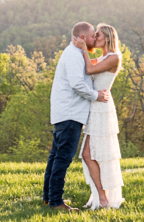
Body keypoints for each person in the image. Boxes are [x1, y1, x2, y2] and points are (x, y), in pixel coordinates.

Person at [43, 22, 111, 212]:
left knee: (55, 156)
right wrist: (96, 95)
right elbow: (77, 85)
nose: (94, 39)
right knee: (63, 158)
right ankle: (56, 201)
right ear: (82, 38)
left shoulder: (75, 53)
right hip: (70, 114)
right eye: (92, 36)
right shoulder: (74, 56)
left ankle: (48, 198)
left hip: (64, 112)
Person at [72, 22, 124, 209]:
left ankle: (103, 198)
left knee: (89, 154)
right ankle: (100, 196)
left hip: (102, 108)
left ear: (108, 38)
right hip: (96, 106)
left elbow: (89, 70)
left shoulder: (114, 57)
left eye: (98, 35)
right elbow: (84, 66)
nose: (95, 38)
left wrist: (84, 49)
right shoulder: (104, 57)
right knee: (91, 154)